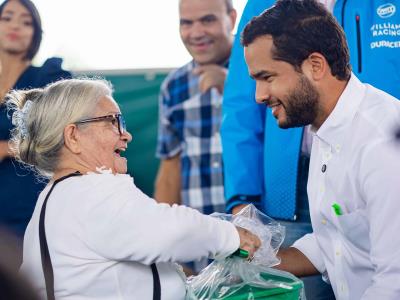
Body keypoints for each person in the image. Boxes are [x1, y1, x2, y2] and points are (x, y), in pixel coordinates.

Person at [7, 78, 260, 299]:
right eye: (112, 121)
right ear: (73, 136)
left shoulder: (59, 196)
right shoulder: (93, 192)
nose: (126, 134)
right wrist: (232, 236)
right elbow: (170, 231)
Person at [241, 0, 400, 299]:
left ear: (315, 66)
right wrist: (245, 260)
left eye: (267, 77)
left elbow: (394, 284)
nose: (259, 96)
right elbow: (337, 241)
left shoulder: (380, 146)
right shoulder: (326, 128)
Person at [154, 0, 236, 272]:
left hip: (258, 240)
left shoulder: (259, 70)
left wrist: (231, 88)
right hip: (198, 246)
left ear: (232, 19)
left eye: (207, 20)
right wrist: (167, 249)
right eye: (186, 23)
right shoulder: (173, 86)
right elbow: (169, 170)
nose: (196, 32)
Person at [0, 0, 71, 242]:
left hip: (27, 208)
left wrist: (7, 148)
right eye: (6, 17)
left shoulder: (48, 78)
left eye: (26, 21)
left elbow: (63, 139)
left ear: (36, 34)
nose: (15, 25)